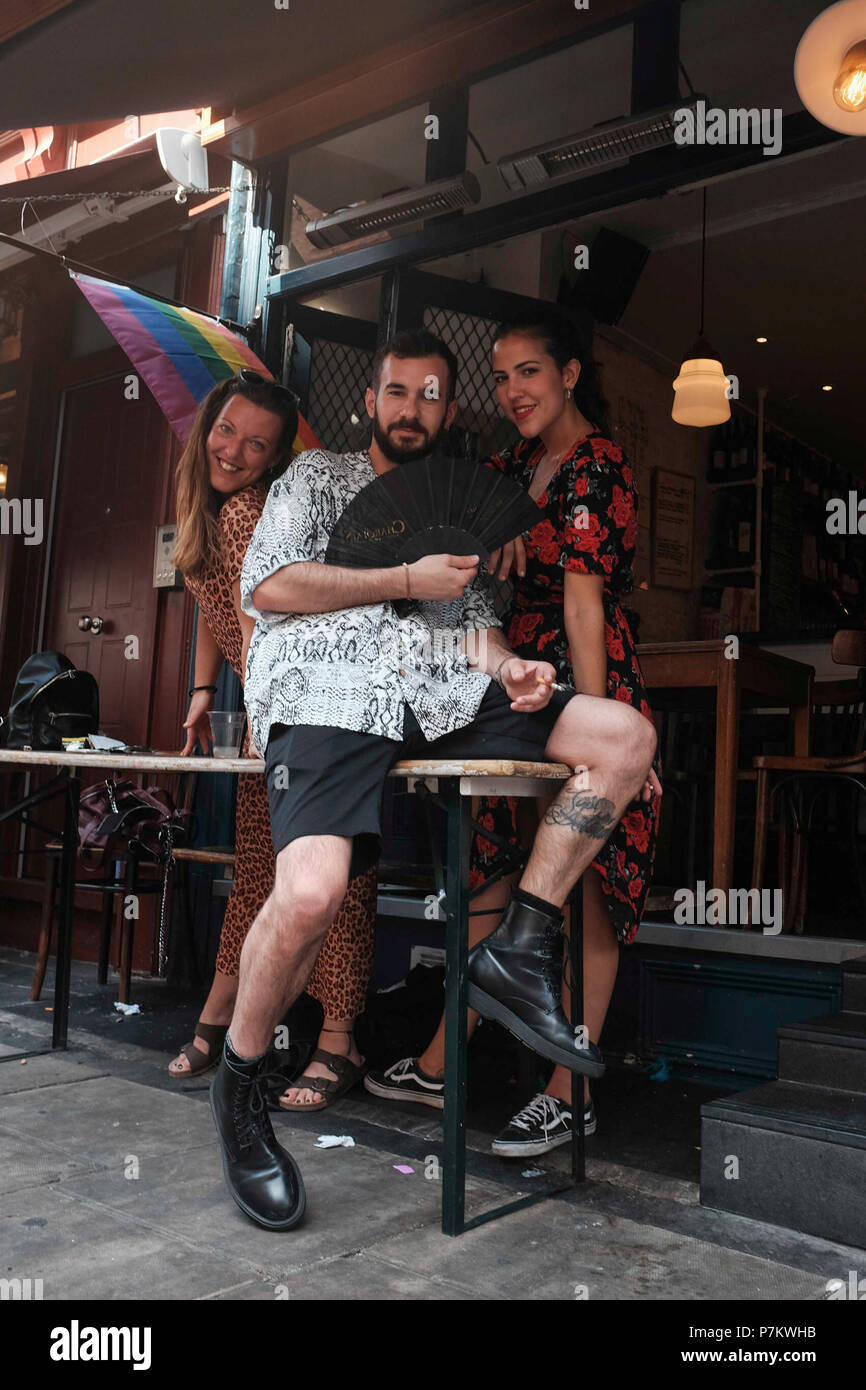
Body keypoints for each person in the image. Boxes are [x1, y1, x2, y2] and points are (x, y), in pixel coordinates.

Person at [208, 329, 658, 1230]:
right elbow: (273, 587)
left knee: (622, 738)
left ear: (450, 411)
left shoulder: (460, 509)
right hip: (329, 691)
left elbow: (476, 627)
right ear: (369, 402)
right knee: (308, 895)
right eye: (397, 392)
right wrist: (400, 576)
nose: (412, 408)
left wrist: (509, 670)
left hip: (440, 688)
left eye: (431, 394)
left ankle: (516, 949)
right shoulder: (315, 479)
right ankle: (242, 1087)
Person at [365, 310, 661, 1159]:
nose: (511, 392)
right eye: (498, 378)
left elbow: (580, 608)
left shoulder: (598, 467)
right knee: (497, 873)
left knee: (585, 883)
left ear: (569, 373)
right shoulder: (507, 465)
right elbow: (461, 541)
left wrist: (598, 734)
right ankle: (442, 1061)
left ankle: (570, 1088)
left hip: (582, 677)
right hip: (509, 681)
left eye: (528, 372)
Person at [169, 370, 378, 1107]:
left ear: (275, 458)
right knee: (264, 868)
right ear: (207, 426)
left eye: (257, 445)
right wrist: (203, 691)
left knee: (327, 875)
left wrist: (263, 702)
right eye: (227, 430)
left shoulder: (249, 513)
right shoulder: (205, 504)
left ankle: (336, 1042)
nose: (234, 451)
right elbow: (209, 604)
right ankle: (226, 1023)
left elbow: (265, 613)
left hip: (304, 703)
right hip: (274, 701)